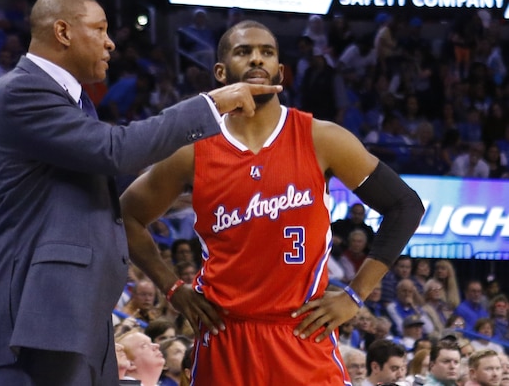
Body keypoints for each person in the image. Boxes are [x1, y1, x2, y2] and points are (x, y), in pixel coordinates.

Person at [0, 0, 280, 386]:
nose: (110, 41)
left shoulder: (71, 100)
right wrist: (210, 105)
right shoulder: (23, 90)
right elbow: (115, 151)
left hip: (75, 314)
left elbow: (88, 186)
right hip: (42, 315)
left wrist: (186, 198)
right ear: (63, 32)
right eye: (100, 29)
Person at [121, 20, 424, 385]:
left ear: (280, 70)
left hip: (301, 333)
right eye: (243, 52)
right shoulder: (191, 151)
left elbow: (405, 206)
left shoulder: (321, 138)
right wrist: (172, 288)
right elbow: (127, 215)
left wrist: (354, 295)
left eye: (267, 52)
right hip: (225, 334)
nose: (256, 60)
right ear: (221, 71)